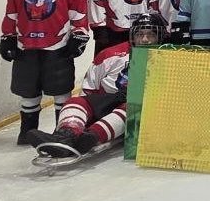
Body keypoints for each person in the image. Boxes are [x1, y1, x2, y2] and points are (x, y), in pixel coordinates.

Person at [25, 12, 164, 159]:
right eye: (140, 34)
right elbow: (89, 88)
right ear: (132, 35)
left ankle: (91, 136)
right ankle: (66, 134)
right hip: (109, 99)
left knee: (131, 109)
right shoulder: (110, 55)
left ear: (159, 37)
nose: (145, 39)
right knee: (76, 102)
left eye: (151, 35)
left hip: (138, 110)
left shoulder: (168, 60)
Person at [0, 0, 90, 145]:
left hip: (58, 45)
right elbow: (12, 12)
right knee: (28, 92)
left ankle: (62, 130)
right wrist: (7, 37)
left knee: (61, 92)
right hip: (26, 45)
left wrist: (79, 35)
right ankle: (27, 131)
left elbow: (79, 13)